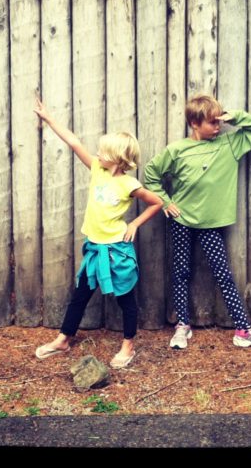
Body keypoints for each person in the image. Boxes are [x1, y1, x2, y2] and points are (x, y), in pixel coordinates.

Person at [33, 98, 163, 368]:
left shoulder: (129, 184)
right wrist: (49, 118)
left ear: (116, 158)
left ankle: (128, 346)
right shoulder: (96, 169)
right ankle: (63, 339)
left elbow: (156, 202)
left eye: (103, 152)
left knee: (125, 298)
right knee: (80, 295)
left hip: (116, 251)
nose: (98, 154)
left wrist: (134, 224)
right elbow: (73, 142)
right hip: (95, 248)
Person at [143, 94, 251, 351]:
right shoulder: (177, 150)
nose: (218, 127)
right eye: (212, 122)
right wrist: (165, 201)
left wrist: (233, 116)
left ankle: (243, 330)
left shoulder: (230, 144)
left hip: (210, 224)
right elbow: (151, 173)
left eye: (219, 121)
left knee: (223, 274)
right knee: (180, 272)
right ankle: (182, 325)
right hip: (181, 220)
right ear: (195, 123)